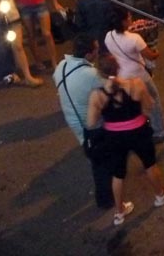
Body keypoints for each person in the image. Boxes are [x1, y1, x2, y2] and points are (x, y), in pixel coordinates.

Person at [86, 55, 164, 226]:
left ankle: (119, 212)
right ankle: (161, 195)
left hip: (114, 138)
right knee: (149, 164)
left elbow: (91, 122)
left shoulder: (97, 95)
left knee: (118, 174)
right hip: (139, 132)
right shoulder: (136, 84)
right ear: (118, 67)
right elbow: (149, 105)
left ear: (99, 73)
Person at [53, 34, 112, 209]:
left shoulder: (61, 66)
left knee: (91, 151)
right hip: (90, 125)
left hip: (72, 119)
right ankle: (106, 199)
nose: (98, 50)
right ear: (88, 54)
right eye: (95, 48)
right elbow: (110, 88)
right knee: (101, 164)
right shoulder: (91, 74)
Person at [104, 8, 164, 140]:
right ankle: (159, 130)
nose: (130, 18)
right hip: (139, 75)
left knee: (135, 103)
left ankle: (140, 125)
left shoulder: (108, 37)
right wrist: (156, 51)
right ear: (123, 22)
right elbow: (150, 56)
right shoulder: (134, 38)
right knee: (153, 99)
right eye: (128, 17)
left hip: (122, 76)